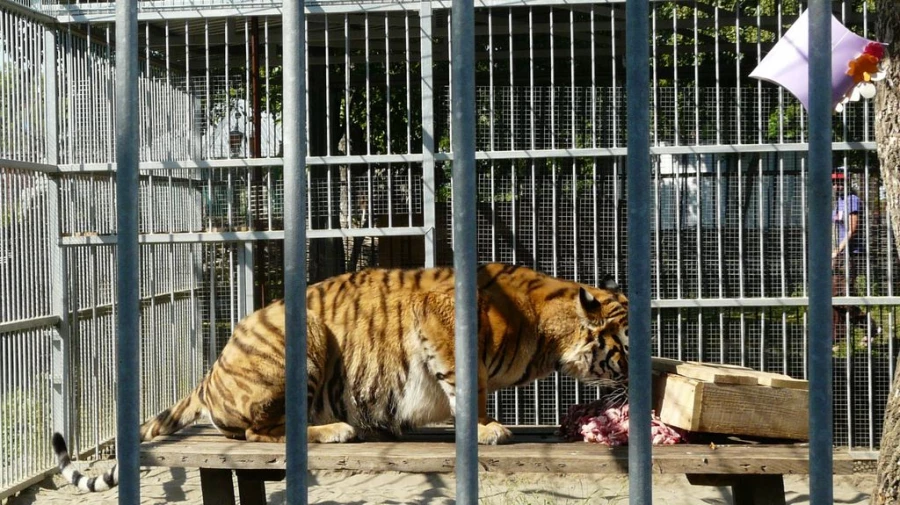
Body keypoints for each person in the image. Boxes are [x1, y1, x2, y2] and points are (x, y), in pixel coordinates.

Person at [832, 166, 865, 344]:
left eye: (839, 182)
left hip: (851, 253)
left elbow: (853, 228)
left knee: (841, 295)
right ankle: (837, 337)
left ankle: (869, 326)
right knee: (836, 295)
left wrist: (839, 249)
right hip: (839, 254)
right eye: (834, 182)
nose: (837, 186)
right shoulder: (839, 201)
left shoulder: (852, 200)